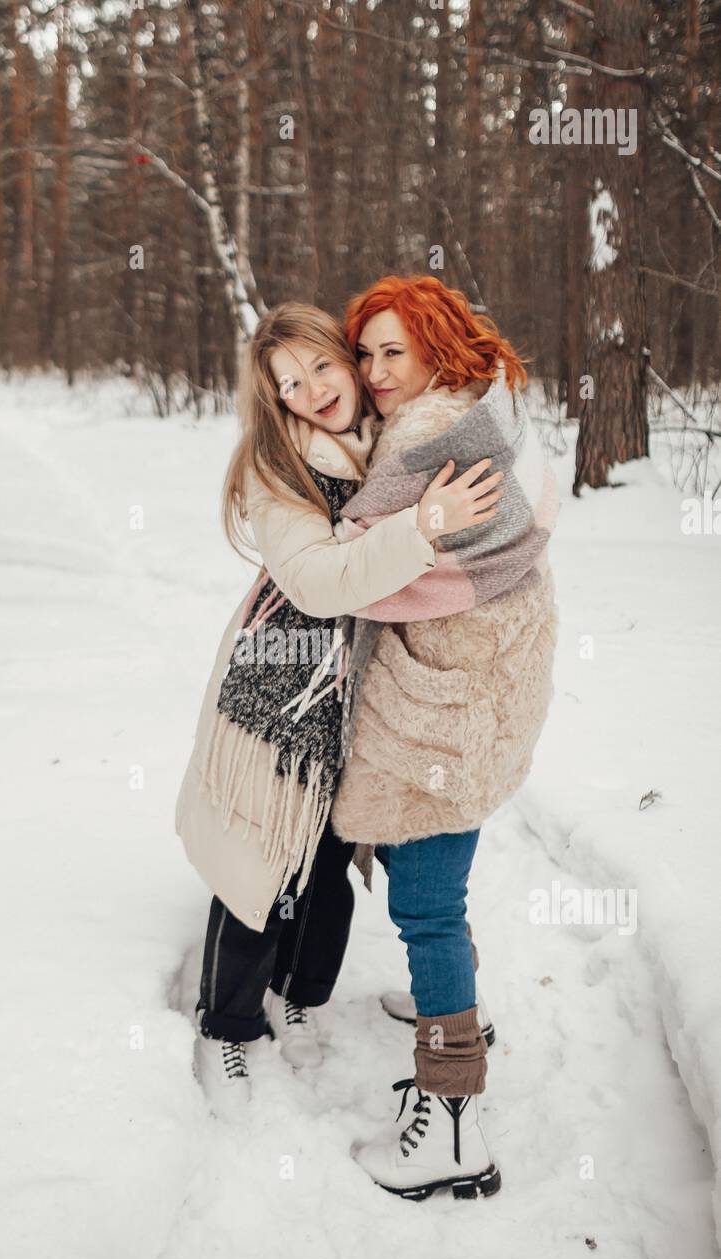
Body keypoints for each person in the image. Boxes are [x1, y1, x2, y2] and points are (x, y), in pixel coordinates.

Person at [175, 302, 501, 1118]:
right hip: (278, 695)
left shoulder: (384, 445)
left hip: (350, 696)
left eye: (321, 366)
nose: (312, 390)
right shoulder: (277, 465)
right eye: (289, 384)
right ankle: (228, 1026)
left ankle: (298, 990)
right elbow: (319, 581)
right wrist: (426, 525)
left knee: (327, 871)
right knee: (260, 863)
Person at [326, 275, 560, 1199]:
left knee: (424, 902)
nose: (378, 371)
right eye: (368, 352)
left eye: (397, 351)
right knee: (441, 882)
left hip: (447, 702)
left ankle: (453, 1116)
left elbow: (356, 573)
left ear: (434, 345)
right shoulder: (481, 405)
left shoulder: (424, 437)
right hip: (488, 683)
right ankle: (451, 1008)